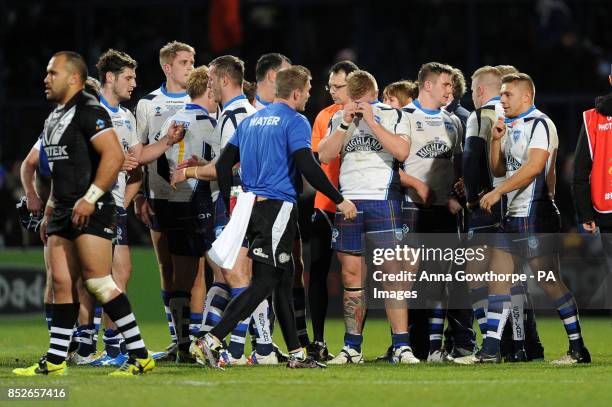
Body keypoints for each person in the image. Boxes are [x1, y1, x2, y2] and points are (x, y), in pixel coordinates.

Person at [189, 66, 357, 368]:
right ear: (295, 93)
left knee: (284, 278)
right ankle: (211, 339)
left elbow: (224, 164)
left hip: (251, 206)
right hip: (277, 207)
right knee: (265, 282)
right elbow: (307, 165)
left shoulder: (251, 121)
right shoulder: (295, 120)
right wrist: (339, 199)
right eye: (306, 90)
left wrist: (230, 207)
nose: (309, 94)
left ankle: (296, 354)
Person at [13, 51, 153, 376]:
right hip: (61, 210)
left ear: (74, 78)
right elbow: (56, 172)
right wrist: (48, 210)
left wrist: (91, 197)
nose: (45, 79)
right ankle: (57, 360)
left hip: (92, 210)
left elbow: (115, 155)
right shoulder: (53, 117)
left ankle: (140, 354)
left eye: (53, 73)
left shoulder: (91, 110)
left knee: (99, 283)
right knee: (61, 282)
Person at [476, 72, 590, 364]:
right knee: (498, 279)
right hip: (512, 215)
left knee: (549, 281)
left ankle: (578, 349)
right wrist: (495, 141)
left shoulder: (541, 123)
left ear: (526, 96)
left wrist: (498, 192)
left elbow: (536, 166)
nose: (502, 100)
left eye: (507, 95)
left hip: (536, 213)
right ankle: (490, 351)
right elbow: (499, 169)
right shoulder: (509, 125)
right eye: (501, 94)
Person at [318, 70, 416, 364]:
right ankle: (352, 347)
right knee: (351, 277)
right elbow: (324, 155)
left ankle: (401, 346)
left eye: (360, 100)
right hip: (349, 201)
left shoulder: (394, 115)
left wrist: (372, 121)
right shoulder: (340, 117)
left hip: (383, 200)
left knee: (391, 275)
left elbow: (402, 151)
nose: (356, 105)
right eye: (353, 100)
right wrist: (346, 122)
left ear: (371, 96)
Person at [132, 41, 195, 360]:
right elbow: (138, 150)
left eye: (192, 61)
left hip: (193, 196)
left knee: (193, 269)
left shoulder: (200, 99)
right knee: (166, 267)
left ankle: (191, 339)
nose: (190, 66)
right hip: (158, 195)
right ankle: (177, 338)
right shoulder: (148, 104)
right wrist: (140, 194)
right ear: (167, 67)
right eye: (184, 62)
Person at [400, 62, 465, 362]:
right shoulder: (404, 118)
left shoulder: (454, 122)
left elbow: (456, 165)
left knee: (441, 279)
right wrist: (416, 184)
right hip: (412, 209)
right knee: (409, 280)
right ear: (427, 85)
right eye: (445, 84)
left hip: (443, 211)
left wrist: (457, 188)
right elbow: (391, 168)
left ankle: (436, 348)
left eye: (451, 85)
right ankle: (407, 345)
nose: (450, 90)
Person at [86, 49, 148, 366]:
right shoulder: (92, 113)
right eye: (128, 77)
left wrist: (165, 143)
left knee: (121, 273)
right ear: (110, 78)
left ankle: (111, 348)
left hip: (114, 207)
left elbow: (138, 163)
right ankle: (90, 346)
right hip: (93, 205)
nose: (134, 83)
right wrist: (112, 161)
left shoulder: (127, 116)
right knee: (97, 277)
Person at [307, 60, 358, 362]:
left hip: (359, 203)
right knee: (318, 272)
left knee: (364, 276)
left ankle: (358, 344)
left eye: (338, 87)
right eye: (330, 87)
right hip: (326, 204)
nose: (332, 92)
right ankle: (318, 340)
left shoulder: (371, 113)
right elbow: (318, 159)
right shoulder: (324, 116)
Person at [572, 67, 612, 321]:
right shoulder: (592, 118)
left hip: (605, 208)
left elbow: (579, 170)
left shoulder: (594, 119)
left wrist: (586, 212)